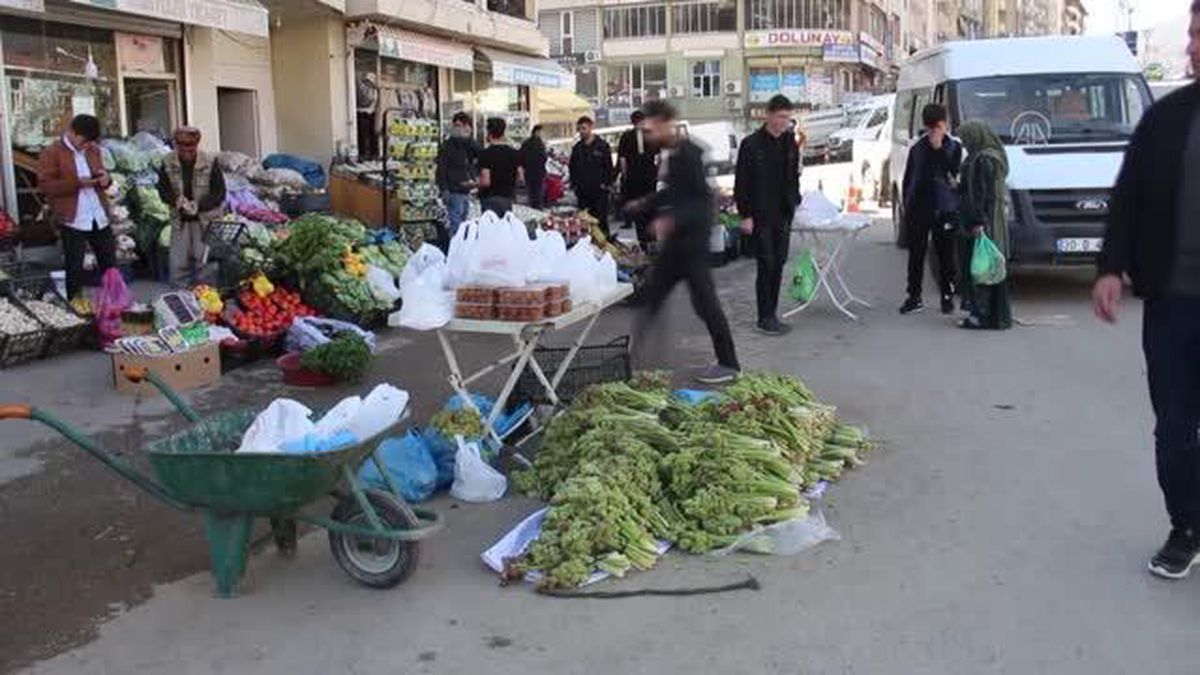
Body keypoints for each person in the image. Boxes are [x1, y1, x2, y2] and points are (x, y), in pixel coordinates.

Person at [1094, 2, 1200, 580]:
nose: (1192, 46)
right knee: (1175, 425)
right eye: (1191, 34)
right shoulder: (1166, 119)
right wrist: (1111, 267)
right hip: (1172, 303)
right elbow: (1128, 194)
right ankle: (1185, 525)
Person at [628, 100, 740, 385]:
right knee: (651, 296)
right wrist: (646, 202)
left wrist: (672, 220)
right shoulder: (674, 154)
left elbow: (701, 200)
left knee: (706, 305)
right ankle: (634, 361)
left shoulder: (689, 154)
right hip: (676, 248)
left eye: (652, 130)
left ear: (666, 123)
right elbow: (675, 192)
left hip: (692, 247)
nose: (649, 136)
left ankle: (729, 363)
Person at [735, 94, 802, 335]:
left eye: (788, 117)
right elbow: (741, 182)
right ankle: (764, 317)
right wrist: (745, 215)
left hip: (783, 214)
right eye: (781, 117)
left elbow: (794, 176)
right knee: (767, 264)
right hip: (760, 215)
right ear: (769, 115)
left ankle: (772, 312)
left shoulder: (789, 143)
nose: (785, 122)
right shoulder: (751, 144)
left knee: (779, 264)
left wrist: (795, 201)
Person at [37, 114, 116, 300]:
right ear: (72, 132)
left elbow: (103, 177)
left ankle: (115, 304)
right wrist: (78, 183)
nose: (87, 145)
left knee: (110, 265)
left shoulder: (94, 150)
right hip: (73, 218)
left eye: (90, 142)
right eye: (84, 141)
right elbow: (46, 186)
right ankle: (75, 308)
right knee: (75, 267)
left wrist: (106, 179)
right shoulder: (52, 152)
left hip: (99, 216)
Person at [900, 103, 963, 315]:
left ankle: (947, 296)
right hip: (919, 209)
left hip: (945, 209)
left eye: (938, 126)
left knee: (945, 256)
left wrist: (938, 150)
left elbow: (953, 172)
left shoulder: (954, 147)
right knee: (916, 254)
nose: (934, 132)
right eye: (930, 128)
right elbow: (910, 179)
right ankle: (913, 296)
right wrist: (907, 207)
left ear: (945, 124)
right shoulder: (917, 148)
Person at [956, 122, 1012, 331]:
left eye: (966, 139)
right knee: (991, 267)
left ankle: (982, 315)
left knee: (981, 268)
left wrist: (977, 222)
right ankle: (996, 316)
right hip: (994, 221)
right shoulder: (995, 156)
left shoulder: (982, 160)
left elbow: (981, 195)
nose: (965, 144)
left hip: (983, 223)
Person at [155, 126, 226, 287]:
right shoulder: (167, 162)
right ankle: (181, 297)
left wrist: (199, 205)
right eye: (182, 145)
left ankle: (207, 299)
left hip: (205, 220)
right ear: (176, 144)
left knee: (205, 263)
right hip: (180, 221)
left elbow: (219, 193)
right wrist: (175, 200)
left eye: (190, 145)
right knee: (178, 264)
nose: (187, 149)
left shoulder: (210, 161)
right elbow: (162, 190)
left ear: (197, 144)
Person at [617, 110, 659, 250]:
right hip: (649, 180)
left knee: (640, 214)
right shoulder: (651, 135)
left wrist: (625, 177)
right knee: (650, 212)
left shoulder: (626, 136)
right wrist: (657, 174)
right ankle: (652, 243)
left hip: (635, 181)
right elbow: (659, 158)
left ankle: (644, 243)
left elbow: (622, 160)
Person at [569, 116, 614, 235]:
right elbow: (572, 168)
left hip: (599, 193)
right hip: (583, 193)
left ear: (591, 127)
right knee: (585, 223)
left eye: (583, 128)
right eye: (579, 129)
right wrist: (575, 185)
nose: (581, 132)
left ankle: (605, 248)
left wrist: (606, 185)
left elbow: (609, 167)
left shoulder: (602, 146)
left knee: (601, 222)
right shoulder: (577, 148)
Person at [436, 112, 478, 235]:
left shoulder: (468, 144)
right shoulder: (447, 145)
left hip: (466, 188)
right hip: (453, 189)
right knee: (456, 224)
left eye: (461, 125)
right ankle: (456, 249)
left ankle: (461, 248)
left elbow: (478, 154)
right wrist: (444, 189)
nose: (458, 128)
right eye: (456, 125)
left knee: (464, 222)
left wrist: (468, 138)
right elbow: (441, 168)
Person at [477, 117, 521, 216]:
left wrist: (475, 184)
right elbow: (520, 176)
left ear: (489, 133)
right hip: (508, 196)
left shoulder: (485, 154)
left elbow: (486, 181)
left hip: (489, 197)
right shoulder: (514, 153)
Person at [519, 124, 548, 209]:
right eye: (541, 132)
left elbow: (520, 158)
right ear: (537, 132)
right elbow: (544, 158)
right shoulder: (539, 143)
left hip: (528, 173)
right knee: (538, 197)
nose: (542, 134)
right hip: (539, 173)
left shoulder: (525, 143)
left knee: (531, 197)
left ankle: (532, 212)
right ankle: (538, 212)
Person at [356, 72, 380, 160]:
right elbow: (367, 101)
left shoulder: (372, 89)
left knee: (371, 135)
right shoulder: (366, 89)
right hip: (363, 114)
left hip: (370, 114)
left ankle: (372, 155)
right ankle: (365, 155)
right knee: (364, 136)